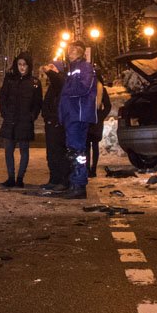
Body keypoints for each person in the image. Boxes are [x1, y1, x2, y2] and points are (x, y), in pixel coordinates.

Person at [53, 41, 98, 199]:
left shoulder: (84, 68)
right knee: (73, 150)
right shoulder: (72, 69)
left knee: (77, 151)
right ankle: (75, 183)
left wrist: (67, 90)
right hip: (72, 115)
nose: (69, 52)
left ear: (80, 52)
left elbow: (84, 87)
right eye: (69, 49)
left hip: (78, 114)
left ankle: (79, 185)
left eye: (73, 50)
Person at [0, 52, 41, 187]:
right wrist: (5, 113)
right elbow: (2, 97)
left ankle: (20, 178)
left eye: (24, 65)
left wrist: (32, 117)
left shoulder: (34, 83)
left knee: (24, 151)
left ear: (29, 66)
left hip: (25, 122)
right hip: (10, 120)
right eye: (20, 64)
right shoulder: (10, 79)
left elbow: (38, 103)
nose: (22, 67)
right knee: (8, 150)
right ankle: (11, 177)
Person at [35, 61, 69, 195]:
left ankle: (63, 181)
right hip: (50, 122)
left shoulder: (61, 80)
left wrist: (49, 71)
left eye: (53, 66)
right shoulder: (54, 84)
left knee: (59, 153)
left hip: (57, 123)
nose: (50, 68)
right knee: (51, 153)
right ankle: (54, 179)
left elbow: (59, 80)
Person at [87, 73, 112, 178]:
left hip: (93, 120)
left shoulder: (98, 89)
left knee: (91, 145)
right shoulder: (94, 89)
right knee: (89, 145)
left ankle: (91, 169)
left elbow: (108, 106)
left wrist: (101, 116)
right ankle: (89, 169)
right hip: (91, 120)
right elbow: (108, 106)